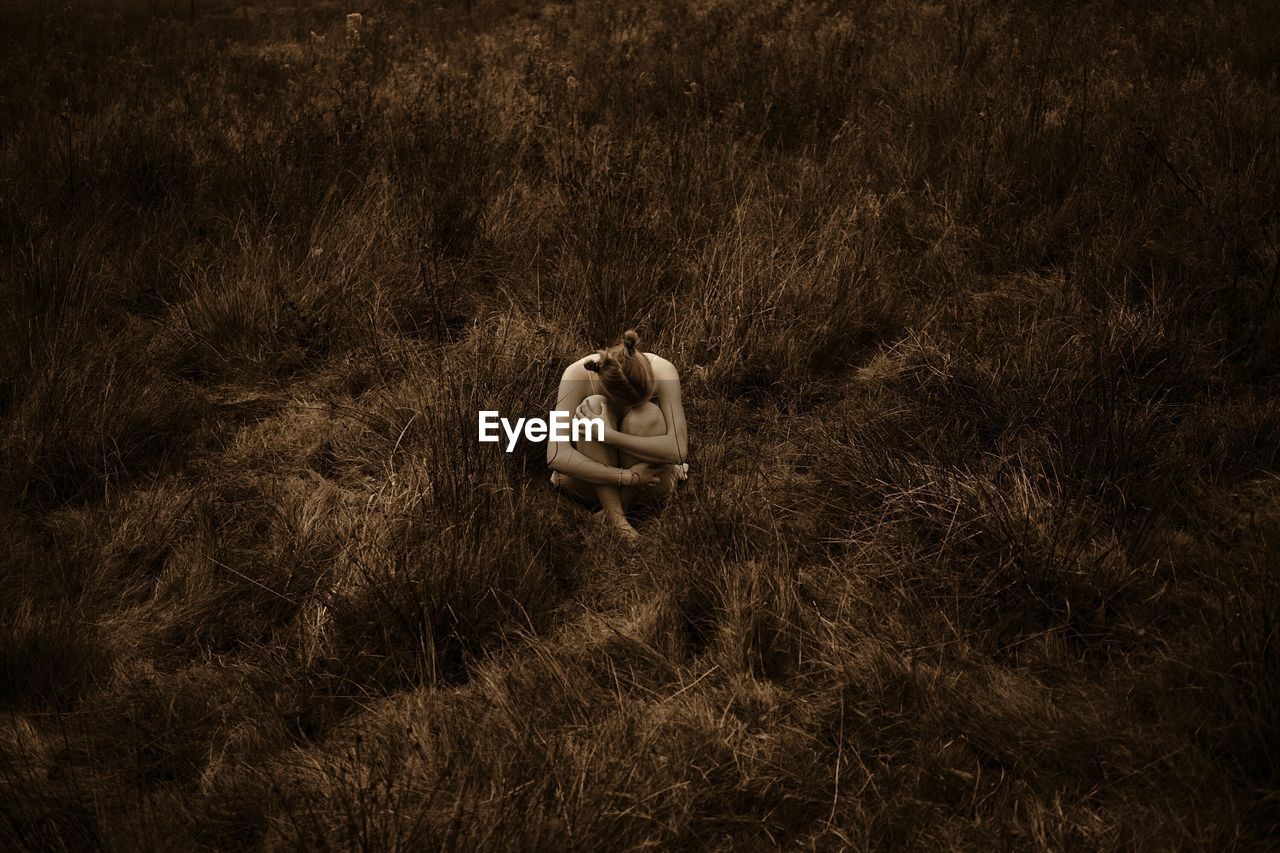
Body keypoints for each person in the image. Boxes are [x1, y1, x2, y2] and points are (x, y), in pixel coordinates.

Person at [547, 330, 689, 539]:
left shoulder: (663, 370)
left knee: (647, 414)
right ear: (609, 390)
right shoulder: (577, 375)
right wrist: (628, 477)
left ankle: (610, 516)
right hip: (600, 481)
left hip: (649, 481)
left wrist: (610, 436)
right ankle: (619, 522)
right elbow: (556, 454)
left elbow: (678, 449)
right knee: (593, 407)